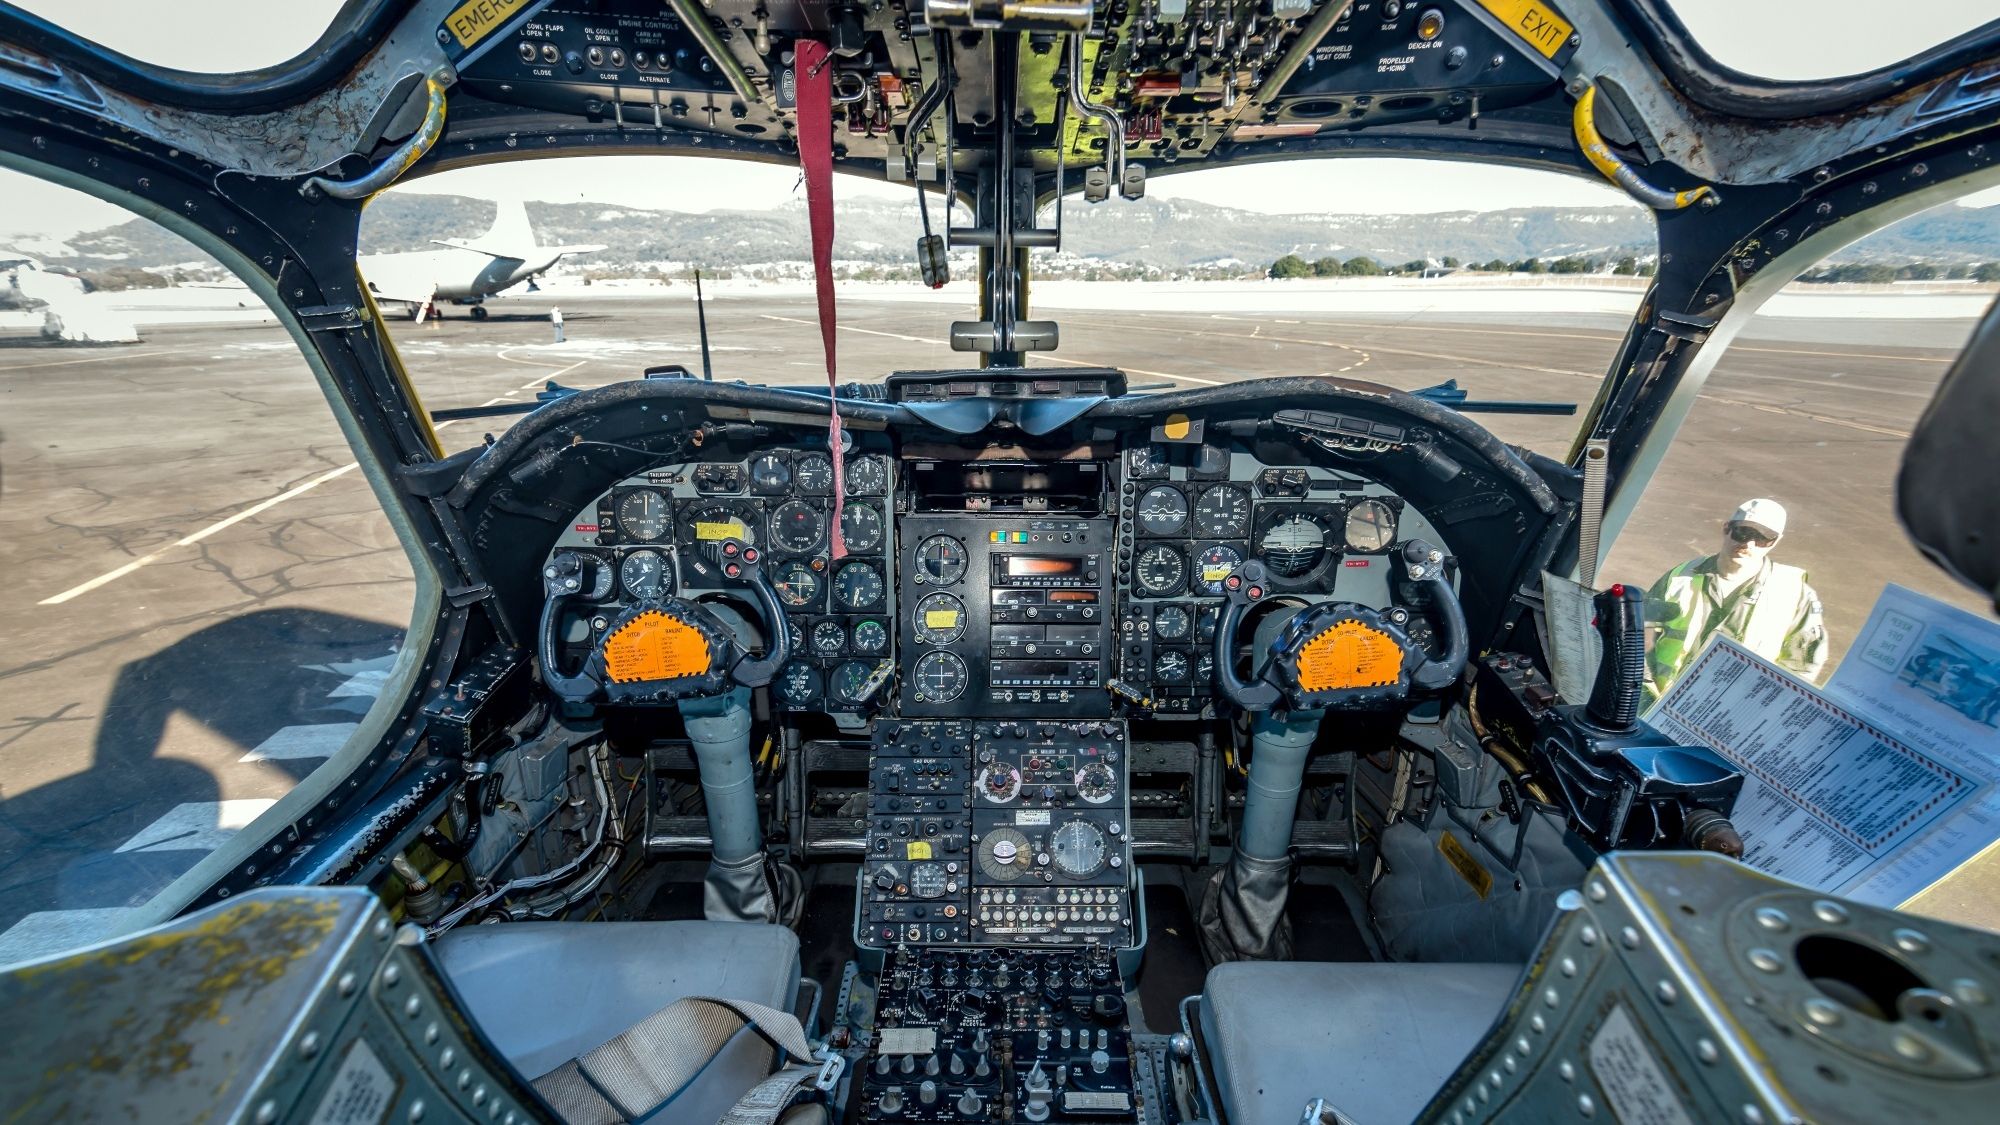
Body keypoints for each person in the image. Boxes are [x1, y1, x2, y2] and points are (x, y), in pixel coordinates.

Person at [1643, 498, 1828, 700]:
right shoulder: (1679, 577)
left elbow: (1801, 667)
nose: (1748, 544)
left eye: (1762, 538)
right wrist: (1646, 692)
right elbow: (1640, 637)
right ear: (1726, 528)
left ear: (1775, 541)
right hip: (1660, 701)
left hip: (1733, 711)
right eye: (1743, 533)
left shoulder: (1794, 593)